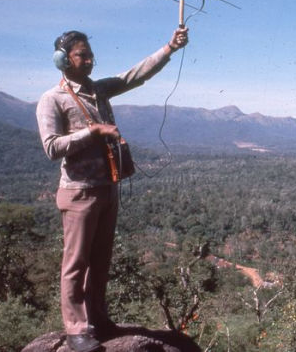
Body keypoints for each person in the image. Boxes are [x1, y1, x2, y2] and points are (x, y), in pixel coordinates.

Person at [36, 27, 189, 352]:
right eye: (82, 54)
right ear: (63, 60)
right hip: (78, 191)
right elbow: (51, 147)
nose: (90, 60)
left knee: (101, 260)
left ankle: (98, 319)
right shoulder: (53, 99)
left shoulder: (98, 90)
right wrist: (93, 132)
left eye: (90, 53)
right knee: (76, 263)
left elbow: (134, 75)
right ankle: (77, 330)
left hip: (107, 187)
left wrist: (170, 48)